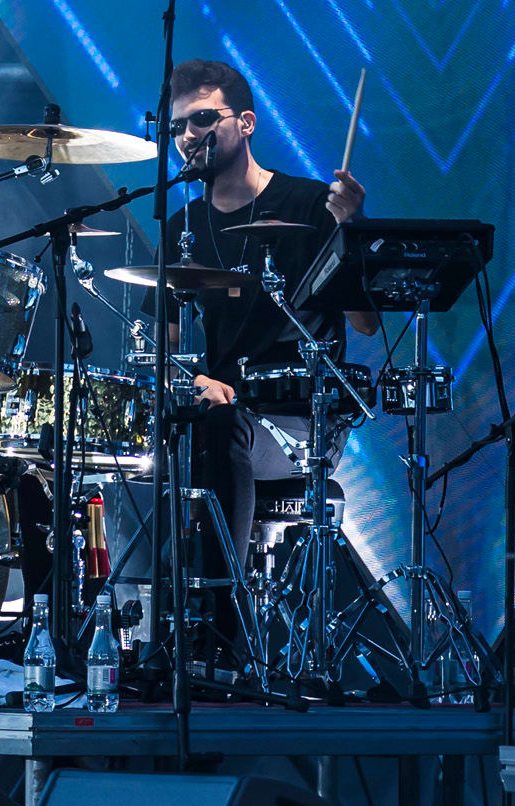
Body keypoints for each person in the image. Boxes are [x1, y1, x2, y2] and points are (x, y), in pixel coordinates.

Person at [155, 60, 371, 560]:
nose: (188, 136)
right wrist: (193, 381)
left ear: (246, 123)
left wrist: (351, 232)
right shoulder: (182, 226)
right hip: (220, 411)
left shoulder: (312, 205)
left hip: (303, 423)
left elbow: (366, 323)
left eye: (203, 119)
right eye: (178, 127)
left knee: (217, 428)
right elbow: (165, 351)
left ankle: (225, 605)